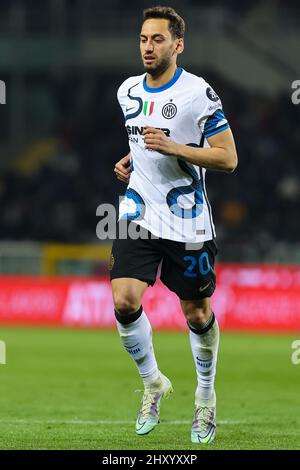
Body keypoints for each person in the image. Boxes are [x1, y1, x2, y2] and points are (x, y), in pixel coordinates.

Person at [110, 6, 238, 444]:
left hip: (188, 224)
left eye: (158, 39)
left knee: (197, 313)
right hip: (139, 213)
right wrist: (129, 163)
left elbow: (228, 158)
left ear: (177, 45)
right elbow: (141, 145)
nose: (148, 46)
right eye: (144, 39)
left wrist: (175, 147)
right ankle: (152, 384)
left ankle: (205, 398)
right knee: (125, 301)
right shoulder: (127, 91)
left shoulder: (198, 93)